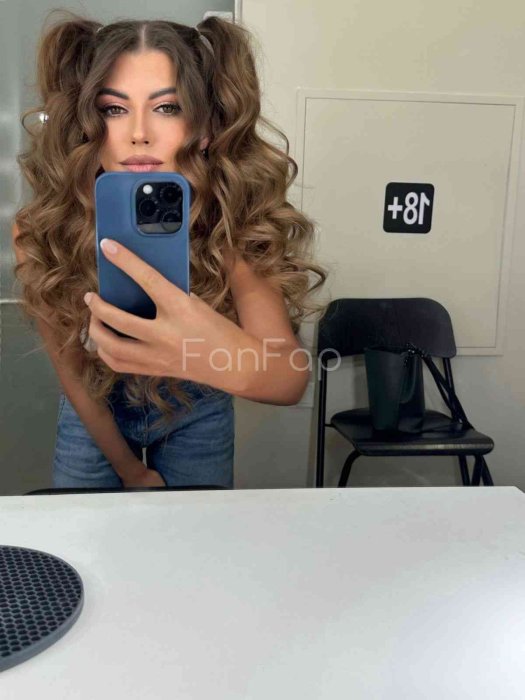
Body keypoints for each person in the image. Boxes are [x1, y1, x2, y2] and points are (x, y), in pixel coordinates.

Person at [11, 10, 328, 490]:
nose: (139, 132)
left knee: (194, 535)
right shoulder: (43, 230)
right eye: (113, 109)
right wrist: (130, 470)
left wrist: (204, 352)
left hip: (197, 410)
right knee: (86, 529)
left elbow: (290, 377)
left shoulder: (230, 225)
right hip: (93, 411)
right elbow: (73, 374)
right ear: (86, 123)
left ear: (205, 127)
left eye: (167, 107)